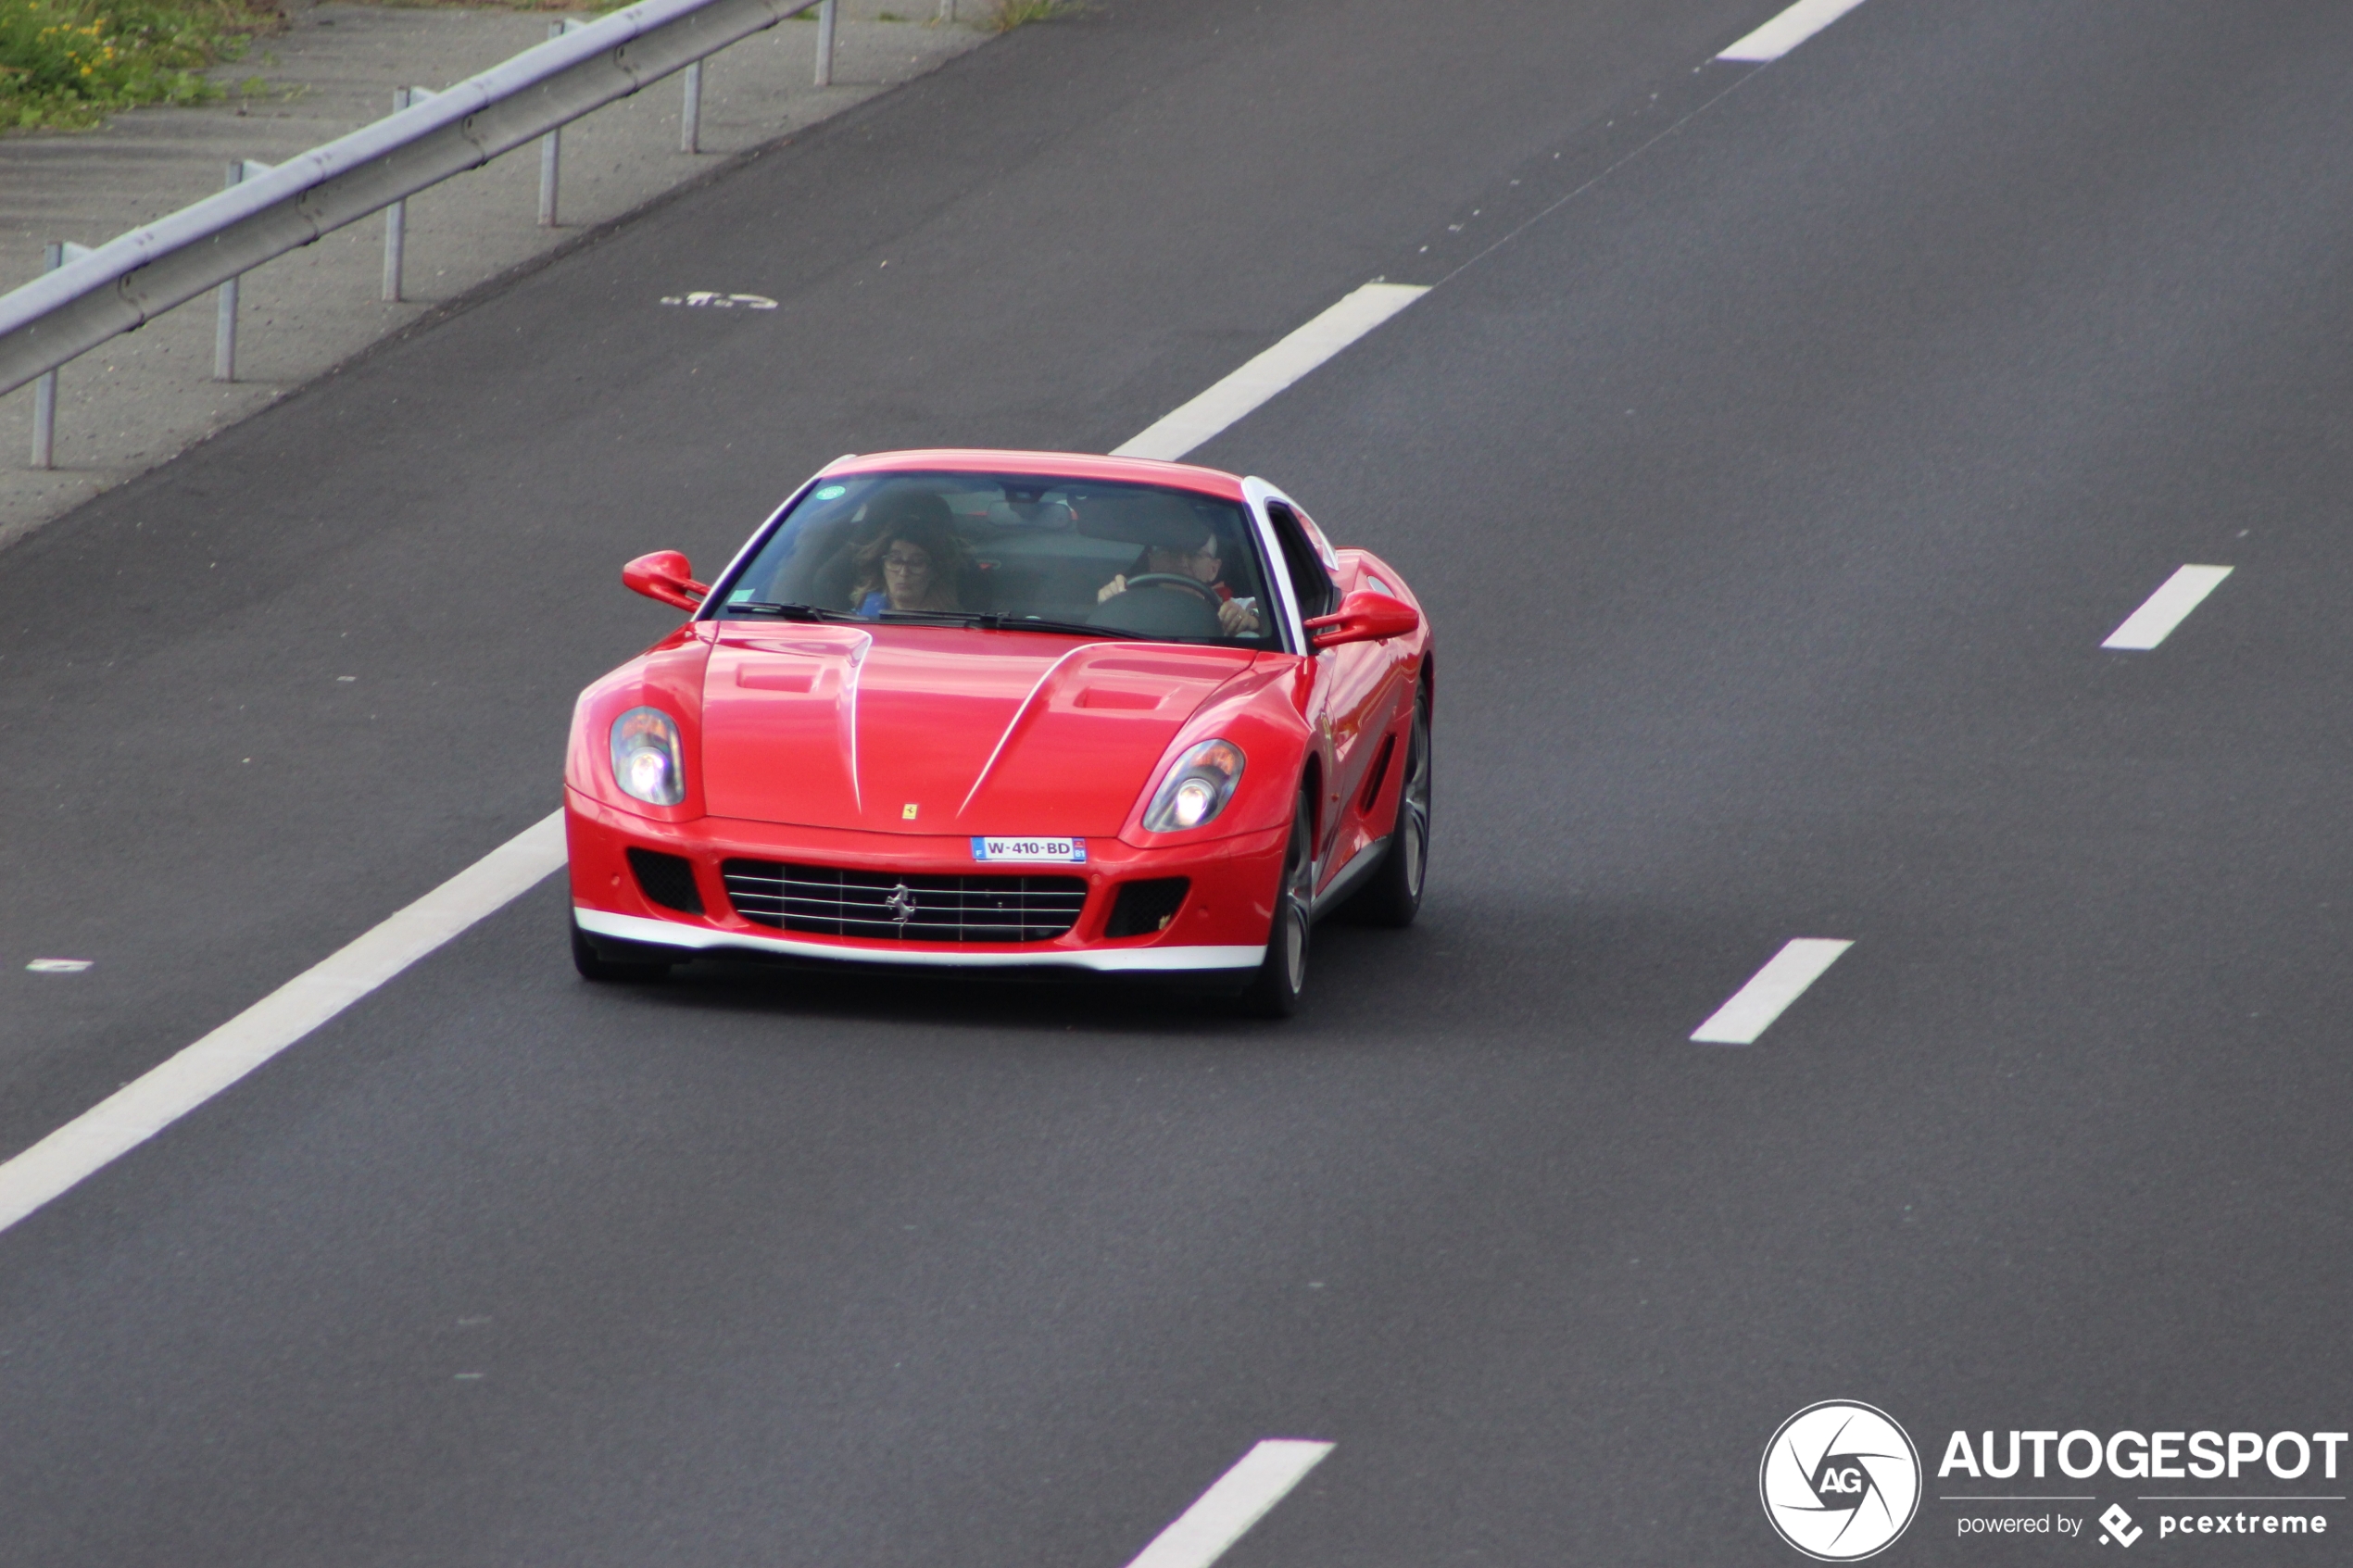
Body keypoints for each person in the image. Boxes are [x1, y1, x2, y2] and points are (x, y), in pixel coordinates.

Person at [1096, 530, 1261, 636]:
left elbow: (1267, 615)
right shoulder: (1128, 605)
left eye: (1194, 554)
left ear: (1213, 569)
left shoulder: (1231, 608)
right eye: (1171, 552)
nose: (1182, 562)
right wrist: (1111, 602)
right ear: (1152, 562)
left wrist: (1250, 619)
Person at [848, 495, 966, 616]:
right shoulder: (861, 618)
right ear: (882, 566)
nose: (903, 572)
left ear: (934, 572)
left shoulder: (952, 623)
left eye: (916, 563)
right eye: (895, 561)